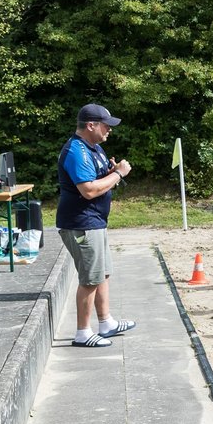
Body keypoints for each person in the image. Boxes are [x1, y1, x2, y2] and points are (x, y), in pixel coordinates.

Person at [56, 104, 136, 348]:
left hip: (94, 221)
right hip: (81, 224)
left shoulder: (94, 148)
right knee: (90, 279)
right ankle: (82, 333)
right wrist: (119, 174)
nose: (109, 130)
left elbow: (97, 179)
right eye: (106, 125)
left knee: (103, 272)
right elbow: (89, 190)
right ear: (91, 125)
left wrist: (109, 172)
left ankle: (106, 322)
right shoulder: (76, 151)